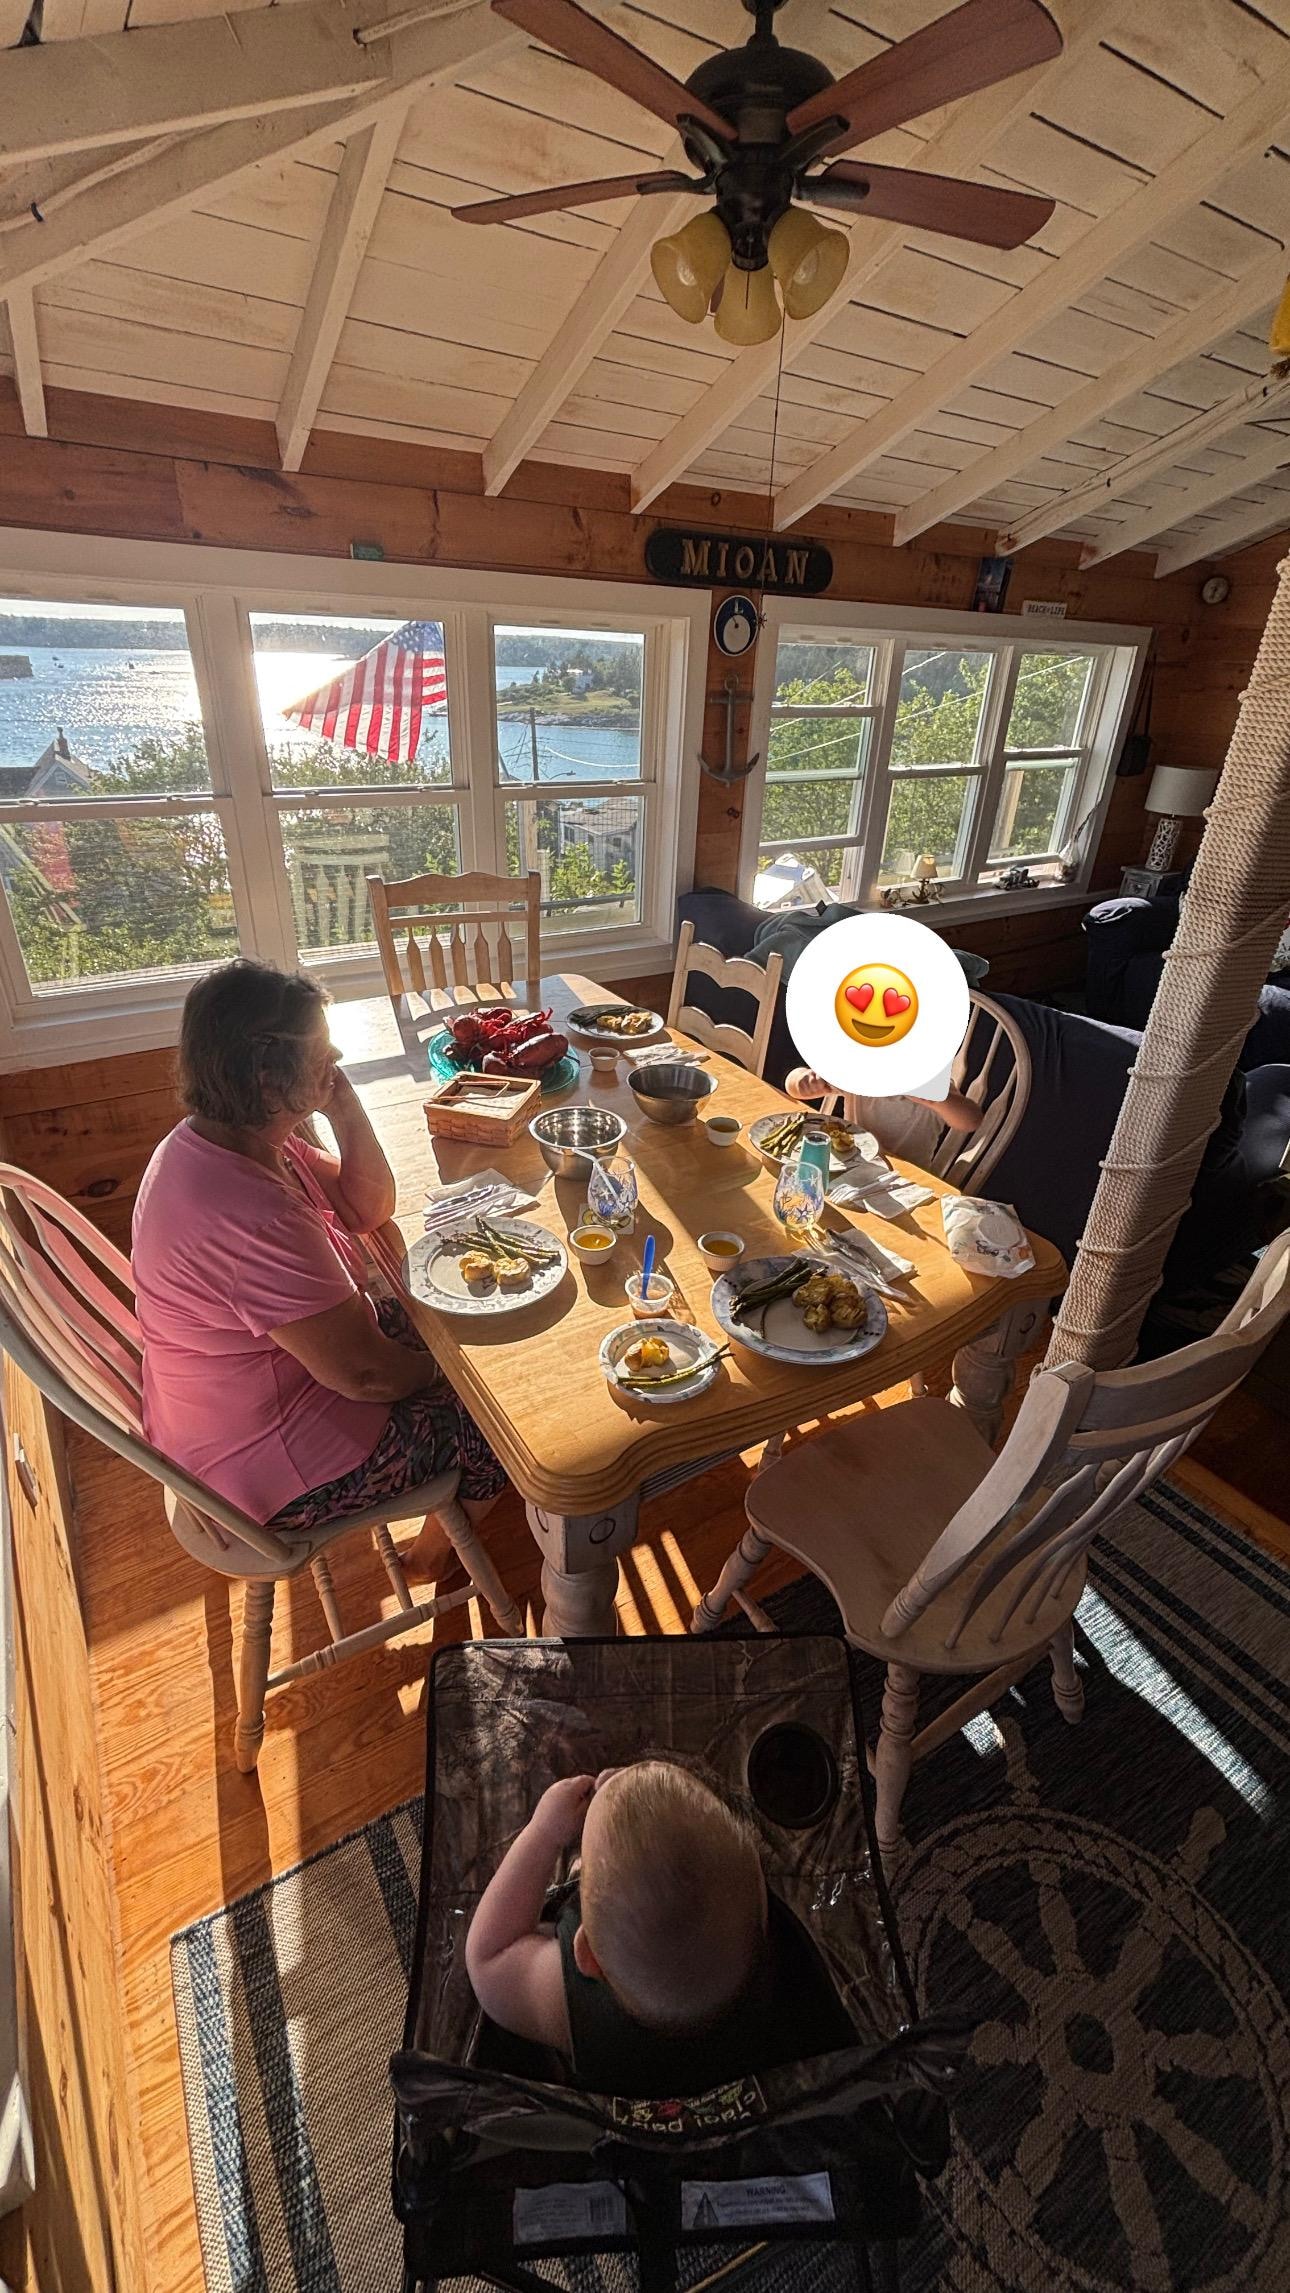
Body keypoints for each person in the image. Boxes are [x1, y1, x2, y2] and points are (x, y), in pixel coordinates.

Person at [132, 959, 505, 1561]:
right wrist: (447, 1373)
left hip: (227, 1404)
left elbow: (368, 1207)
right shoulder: (249, 1213)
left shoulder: (225, 1141)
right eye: (322, 1053)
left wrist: (341, 1107)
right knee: (498, 1413)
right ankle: (436, 1557)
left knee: (457, 1311)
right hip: (260, 1467)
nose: (336, 1060)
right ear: (265, 1072)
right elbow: (366, 1376)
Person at [466, 1762, 854, 2097]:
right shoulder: (761, 1968)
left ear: (588, 1957)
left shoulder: (571, 2005)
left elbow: (489, 1957)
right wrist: (627, 1801)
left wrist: (544, 1833)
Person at [782, 1058, 981, 1170]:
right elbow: (792, 1085)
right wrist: (804, 1081)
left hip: (904, 1178)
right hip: (850, 1165)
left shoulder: (931, 1086)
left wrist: (939, 1101)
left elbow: (970, 1121)